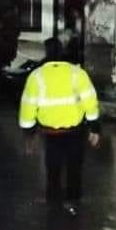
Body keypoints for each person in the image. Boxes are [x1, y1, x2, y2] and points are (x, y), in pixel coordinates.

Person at [19, 37, 100, 209]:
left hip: (51, 135)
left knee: (53, 171)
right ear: (62, 52)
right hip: (75, 133)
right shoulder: (77, 73)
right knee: (74, 170)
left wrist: (29, 135)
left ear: (46, 53)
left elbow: (28, 107)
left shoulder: (36, 76)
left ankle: (53, 209)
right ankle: (74, 205)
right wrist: (95, 129)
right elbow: (90, 103)